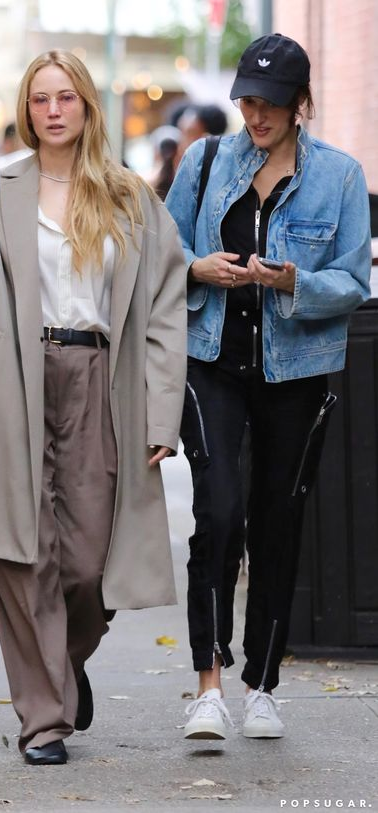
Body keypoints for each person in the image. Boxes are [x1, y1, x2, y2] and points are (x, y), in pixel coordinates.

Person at [0, 49, 187, 766]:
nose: (52, 110)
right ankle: (43, 718)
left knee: (89, 561)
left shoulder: (130, 197)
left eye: (65, 97)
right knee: (20, 549)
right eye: (40, 98)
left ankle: (62, 665)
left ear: (87, 106)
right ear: (26, 108)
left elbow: (166, 310)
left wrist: (161, 414)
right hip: (13, 375)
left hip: (101, 379)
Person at [166, 33, 371, 741]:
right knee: (219, 514)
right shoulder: (204, 162)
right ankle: (208, 686)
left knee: (278, 524)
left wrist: (294, 283)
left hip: (296, 371)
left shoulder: (339, 177)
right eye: (247, 101)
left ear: (300, 102)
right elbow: (163, 250)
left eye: (270, 103)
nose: (255, 115)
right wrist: (197, 269)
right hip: (210, 361)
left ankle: (261, 685)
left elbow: (353, 280)